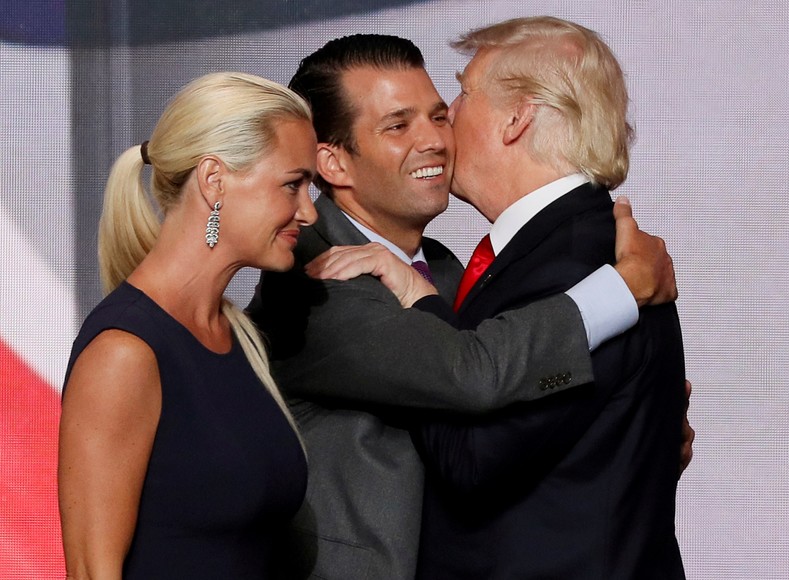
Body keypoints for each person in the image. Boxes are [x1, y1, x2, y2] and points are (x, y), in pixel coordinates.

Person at [249, 35, 684, 579]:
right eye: (398, 125)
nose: (436, 137)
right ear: (332, 162)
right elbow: (469, 373)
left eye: (439, 113)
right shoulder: (314, 283)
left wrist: (623, 435)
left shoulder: (458, 271)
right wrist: (620, 291)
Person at [396, 17, 684, 578]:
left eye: (463, 91)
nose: (448, 116)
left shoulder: (576, 266)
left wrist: (414, 310)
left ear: (517, 116)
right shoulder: (590, 249)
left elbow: (473, 461)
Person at [57, 72, 317, 579]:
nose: (307, 211)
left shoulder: (237, 335)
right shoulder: (124, 353)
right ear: (214, 179)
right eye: (293, 184)